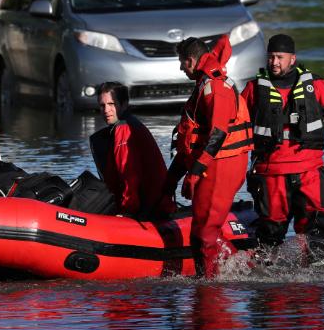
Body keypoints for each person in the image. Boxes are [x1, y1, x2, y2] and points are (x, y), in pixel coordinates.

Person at [241, 34, 324, 259]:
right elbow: (235, 123)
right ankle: (270, 284)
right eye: (271, 57)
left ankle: (318, 281)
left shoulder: (316, 86)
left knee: (317, 236)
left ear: (292, 58)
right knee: (269, 239)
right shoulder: (254, 89)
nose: (274, 62)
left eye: (280, 57)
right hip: (271, 174)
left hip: (309, 172)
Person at [163, 35, 253, 278]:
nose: (181, 68)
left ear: (191, 61)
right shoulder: (204, 84)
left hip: (221, 163)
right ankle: (243, 269)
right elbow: (193, 138)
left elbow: (218, 134)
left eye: (182, 62)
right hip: (214, 163)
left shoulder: (215, 88)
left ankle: (209, 288)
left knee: (203, 233)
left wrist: (194, 173)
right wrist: (172, 179)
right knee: (206, 230)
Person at [89, 82, 175, 217]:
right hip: (153, 204)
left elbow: (129, 174)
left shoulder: (124, 129)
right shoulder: (129, 124)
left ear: (124, 104)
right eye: (102, 105)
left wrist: (127, 211)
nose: (106, 110)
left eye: (112, 104)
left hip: (151, 210)